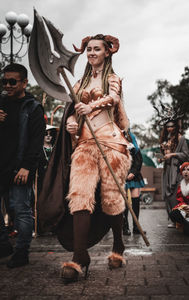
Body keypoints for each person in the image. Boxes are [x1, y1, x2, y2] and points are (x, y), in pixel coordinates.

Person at [38, 34, 131, 283]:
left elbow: (114, 98)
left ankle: (119, 245)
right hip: (85, 144)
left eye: (96, 49)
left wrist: (91, 107)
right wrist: (70, 123)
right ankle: (80, 256)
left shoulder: (112, 79)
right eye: (88, 49)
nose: (91, 53)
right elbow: (72, 114)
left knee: (112, 198)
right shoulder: (78, 84)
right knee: (79, 194)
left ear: (107, 53)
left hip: (111, 142)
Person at [0, 63, 45, 268]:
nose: (7, 85)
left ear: (24, 83)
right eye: (4, 81)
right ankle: (3, 245)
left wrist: (27, 167)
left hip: (20, 168)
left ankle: (21, 252)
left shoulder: (33, 107)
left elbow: (36, 141)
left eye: (12, 81)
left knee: (21, 210)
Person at [159, 118, 189, 227]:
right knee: (167, 196)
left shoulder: (181, 139)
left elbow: (185, 155)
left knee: (173, 195)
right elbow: (165, 154)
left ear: (175, 127)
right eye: (167, 126)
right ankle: (173, 219)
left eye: (171, 126)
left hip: (175, 170)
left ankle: (179, 220)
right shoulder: (166, 139)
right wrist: (162, 157)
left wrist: (172, 155)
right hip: (166, 169)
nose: (169, 128)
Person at [123, 129, 145, 235]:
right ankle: (125, 227)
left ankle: (136, 227)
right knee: (124, 202)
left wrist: (133, 172)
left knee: (135, 201)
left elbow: (139, 159)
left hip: (134, 176)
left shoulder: (133, 140)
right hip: (121, 176)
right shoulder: (115, 139)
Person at [170, 162, 189, 235]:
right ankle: (188, 224)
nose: (186, 172)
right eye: (184, 170)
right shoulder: (181, 184)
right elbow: (180, 198)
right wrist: (185, 206)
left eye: (188, 170)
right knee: (173, 213)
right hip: (188, 208)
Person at [37, 124, 57, 196]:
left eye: (50, 134)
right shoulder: (38, 148)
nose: (48, 136)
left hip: (53, 176)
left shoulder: (55, 148)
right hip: (41, 177)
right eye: (46, 134)